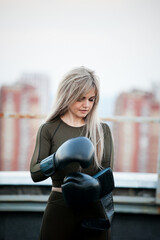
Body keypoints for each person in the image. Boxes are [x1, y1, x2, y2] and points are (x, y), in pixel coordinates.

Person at [30, 66, 114, 240]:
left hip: (93, 208)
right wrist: (57, 159)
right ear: (67, 95)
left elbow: (107, 175)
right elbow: (35, 174)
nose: (86, 105)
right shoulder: (48, 129)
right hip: (59, 207)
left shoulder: (102, 130)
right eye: (80, 98)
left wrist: (93, 186)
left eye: (91, 99)